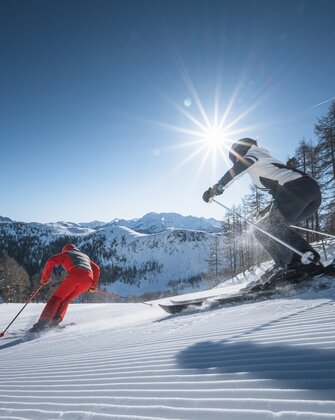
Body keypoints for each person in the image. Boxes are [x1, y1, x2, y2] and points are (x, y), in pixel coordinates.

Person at [202, 137, 324, 283]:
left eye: (234, 158)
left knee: (270, 227)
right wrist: (265, 211)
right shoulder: (263, 160)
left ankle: (301, 261)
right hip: (308, 195)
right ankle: (288, 264)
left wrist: (217, 188)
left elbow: (237, 169)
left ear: (239, 151)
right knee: (263, 228)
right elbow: (279, 192)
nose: (235, 162)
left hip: (298, 189)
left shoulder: (253, 155)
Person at [30, 244, 100, 332]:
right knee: (66, 298)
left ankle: (42, 323)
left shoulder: (67, 254)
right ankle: (55, 320)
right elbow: (96, 269)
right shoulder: (85, 256)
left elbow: (51, 261)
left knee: (56, 298)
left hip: (76, 274)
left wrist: (45, 278)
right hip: (88, 279)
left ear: (64, 250)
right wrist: (93, 286)